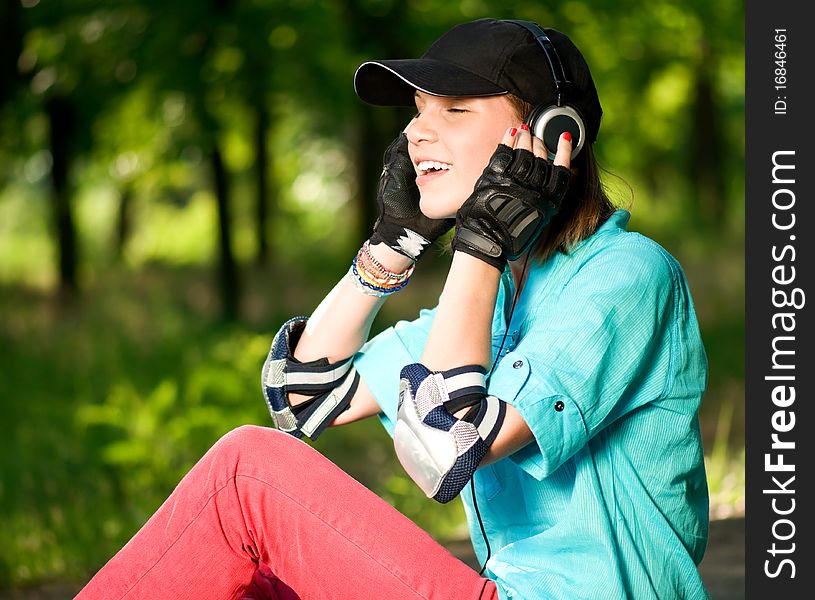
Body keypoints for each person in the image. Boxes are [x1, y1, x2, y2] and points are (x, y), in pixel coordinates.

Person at [76, 18, 710, 600]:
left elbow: (444, 450)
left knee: (248, 474)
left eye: (455, 110)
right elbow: (301, 396)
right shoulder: (496, 307)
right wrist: (392, 244)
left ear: (554, 136)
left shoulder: (627, 277)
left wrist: (482, 242)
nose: (415, 132)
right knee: (245, 577)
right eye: (417, 111)